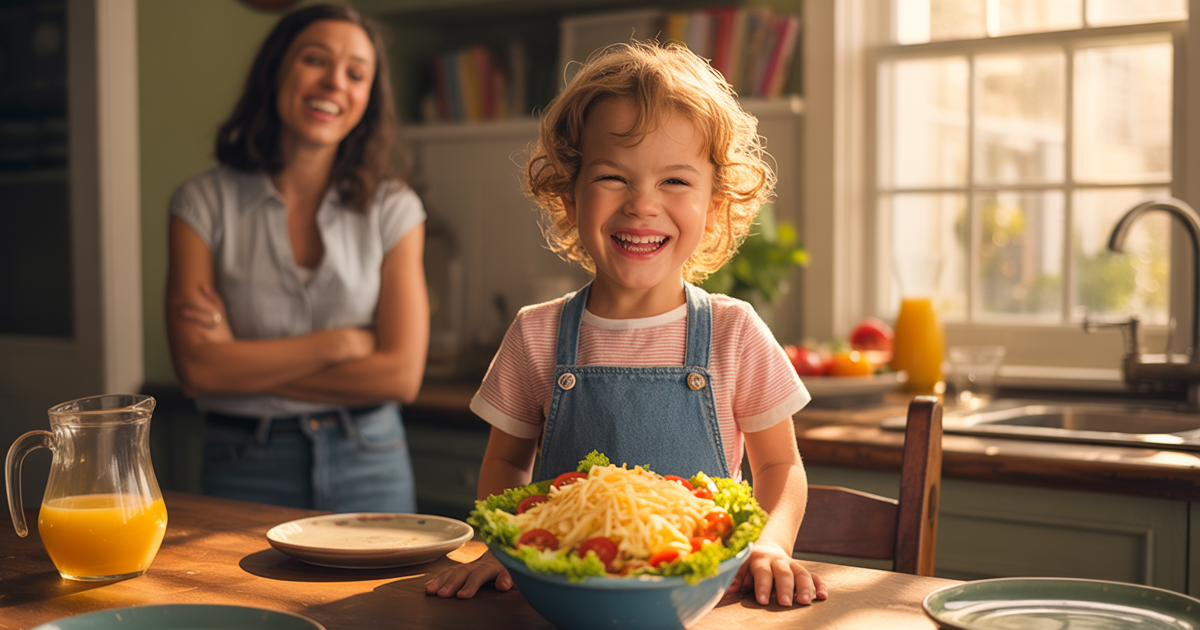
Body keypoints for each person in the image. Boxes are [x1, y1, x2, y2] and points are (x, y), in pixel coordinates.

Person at [425, 41, 827, 607]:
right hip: (566, 601)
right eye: (613, 177)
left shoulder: (735, 332)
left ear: (714, 206)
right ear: (569, 195)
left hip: (699, 602)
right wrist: (505, 545)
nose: (642, 204)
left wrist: (771, 544)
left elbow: (781, 465)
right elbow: (506, 461)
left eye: (676, 182)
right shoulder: (535, 333)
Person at [165, 4, 428, 513]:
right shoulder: (200, 204)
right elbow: (197, 371)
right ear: (276, 70)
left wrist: (237, 365)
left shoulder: (395, 208)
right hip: (243, 462)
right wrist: (345, 342)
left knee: (380, 596)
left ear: (367, 99)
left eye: (356, 73)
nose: (335, 82)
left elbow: (399, 376)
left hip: (370, 458)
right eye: (315, 60)